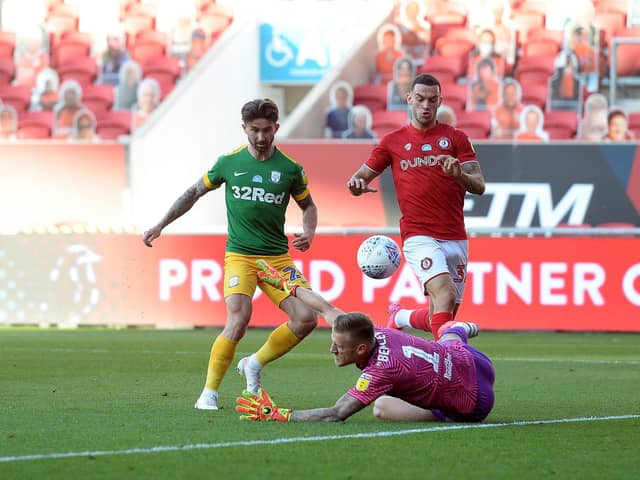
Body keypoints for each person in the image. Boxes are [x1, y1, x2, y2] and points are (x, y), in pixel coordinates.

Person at [142, 99, 319, 410]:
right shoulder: (228, 163)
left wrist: (309, 231)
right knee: (239, 316)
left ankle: (254, 363)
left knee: (306, 318)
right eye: (255, 131)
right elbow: (193, 193)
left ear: (276, 128)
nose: (262, 138)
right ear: (244, 129)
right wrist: (161, 224)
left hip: (276, 259)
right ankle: (209, 393)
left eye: (267, 130)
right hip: (240, 256)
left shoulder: (290, 169)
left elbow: (308, 206)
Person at [235, 259, 494, 423]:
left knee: (381, 407)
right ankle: (457, 328)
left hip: (475, 402)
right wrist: (288, 286)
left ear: (360, 348)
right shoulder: (372, 331)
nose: (332, 349)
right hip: (473, 359)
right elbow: (327, 309)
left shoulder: (381, 371)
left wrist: (281, 415)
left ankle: (440, 409)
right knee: (447, 330)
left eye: (338, 346)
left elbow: (336, 413)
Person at [347, 74, 486, 340]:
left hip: (455, 235)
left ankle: (400, 317)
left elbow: (479, 185)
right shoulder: (393, 141)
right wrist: (356, 184)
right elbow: (361, 176)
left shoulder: (456, 138)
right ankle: (444, 364)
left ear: (440, 101)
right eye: (420, 99)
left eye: (432, 100)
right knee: (444, 293)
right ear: (409, 99)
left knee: (443, 314)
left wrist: (459, 175)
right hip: (418, 234)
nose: (426, 105)